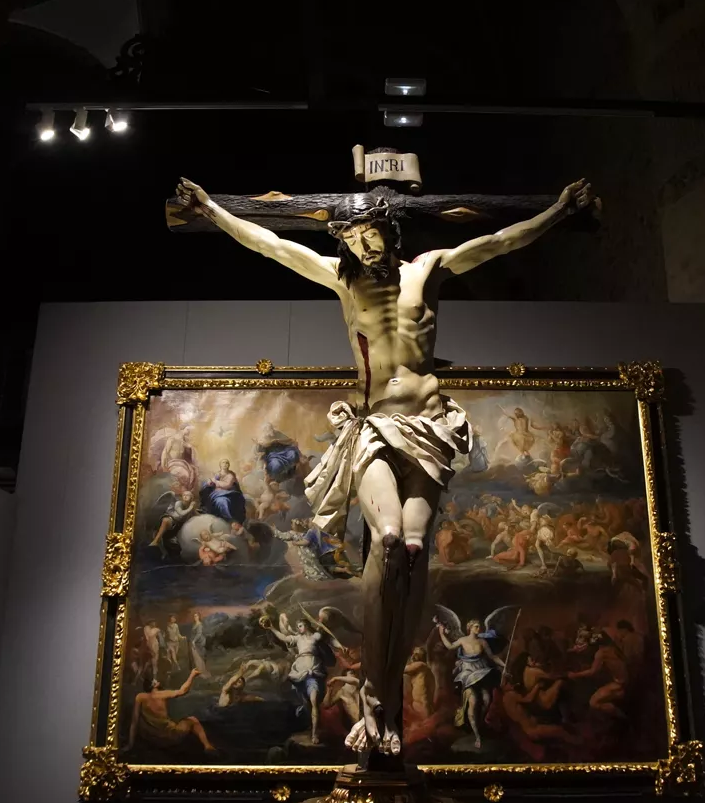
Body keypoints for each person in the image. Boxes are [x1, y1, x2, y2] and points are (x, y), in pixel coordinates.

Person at [175, 173, 595, 758]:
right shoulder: (341, 279)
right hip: (376, 424)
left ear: (390, 232)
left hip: (431, 427)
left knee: (416, 551)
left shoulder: (428, 269)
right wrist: (212, 209)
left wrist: (559, 210)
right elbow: (271, 244)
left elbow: (500, 241)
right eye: (354, 239)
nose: (364, 247)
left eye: (371, 235)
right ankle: (374, 694)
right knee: (390, 539)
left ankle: (387, 696)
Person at [262, 610, 343, 746]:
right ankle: (311, 726)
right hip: (299, 672)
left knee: (313, 701)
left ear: (306, 625)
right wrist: (271, 628)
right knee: (307, 703)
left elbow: (329, 638)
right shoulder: (298, 638)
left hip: (313, 670)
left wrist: (340, 646)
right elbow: (284, 638)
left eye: (300, 625)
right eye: (297, 626)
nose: (298, 628)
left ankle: (314, 734)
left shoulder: (315, 637)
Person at [436, 616, 505, 750]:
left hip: (481, 672)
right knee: (473, 703)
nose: (479, 629)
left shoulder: (482, 642)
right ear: (470, 628)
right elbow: (450, 646)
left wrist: (504, 665)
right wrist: (441, 633)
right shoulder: (463, 640)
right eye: (476, 626)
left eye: (479, 626)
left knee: (487, 700)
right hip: (468, 674)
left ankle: (479, 722)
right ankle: (477, 735)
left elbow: (492, 656)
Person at [126, 669, 218, 753]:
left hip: (153, 737)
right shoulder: (162, 694)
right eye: (156, 681)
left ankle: (132, 744)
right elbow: (183, 691)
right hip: (169, 736)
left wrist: (130, 744)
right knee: (193, 720)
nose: (158, 681)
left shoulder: (140, 697)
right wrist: (192, 675)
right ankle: (207, 746)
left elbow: (134, 722)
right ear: (154, 685)